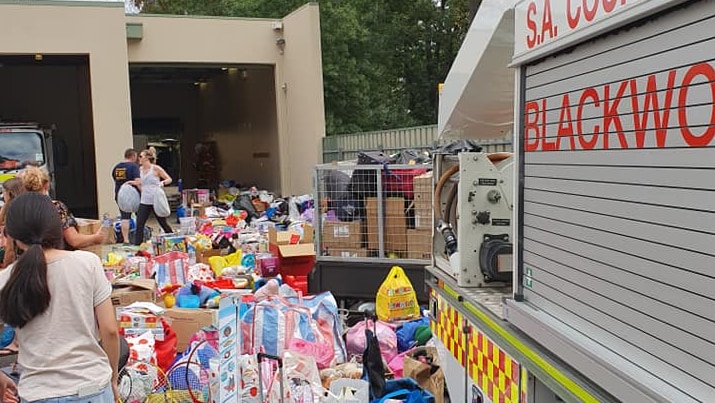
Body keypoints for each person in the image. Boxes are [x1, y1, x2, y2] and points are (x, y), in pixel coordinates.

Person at [0, 192, 119, 402]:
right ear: (55, 227)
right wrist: (112, 378)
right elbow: (109, 330)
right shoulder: (87, 263)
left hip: (38, 393)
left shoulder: (6, 278)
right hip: (92, 388)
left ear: (13, 236)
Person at [21, 167, 106, 250]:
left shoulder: (20, 209)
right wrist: (95, 238)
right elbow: (74, 240)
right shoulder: (56, 208)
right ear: (46, 185)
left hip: (27, 259)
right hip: (54, 258)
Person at [130, 148, 173, 245]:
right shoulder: (139, 170)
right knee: (139, 223)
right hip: (144, 200)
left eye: (141, 156)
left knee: (163, 223)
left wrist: (162, 183)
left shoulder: (156, 168)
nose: (139, 158)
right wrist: (131, 183)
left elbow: (169, 179)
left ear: (147, 158)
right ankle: (138, 246)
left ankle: (173, 238)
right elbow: (140, 182)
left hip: (155, 199)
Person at [111, 148, 140, 245]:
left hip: (120, 195)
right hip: (134, 196)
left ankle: (126, 240)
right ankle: (139, 237)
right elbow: (138, 182)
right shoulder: (133, 167)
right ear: (133, 156)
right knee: (140, 216)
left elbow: (115, 180)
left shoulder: (116, 167)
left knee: (125, 217)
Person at [0, 177, 25, 269]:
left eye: (4, 192)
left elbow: (10, 249)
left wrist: (6, 269)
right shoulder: (28, 205)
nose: (3, 195)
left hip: (18, 260)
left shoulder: (12, 212)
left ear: (9, 193)